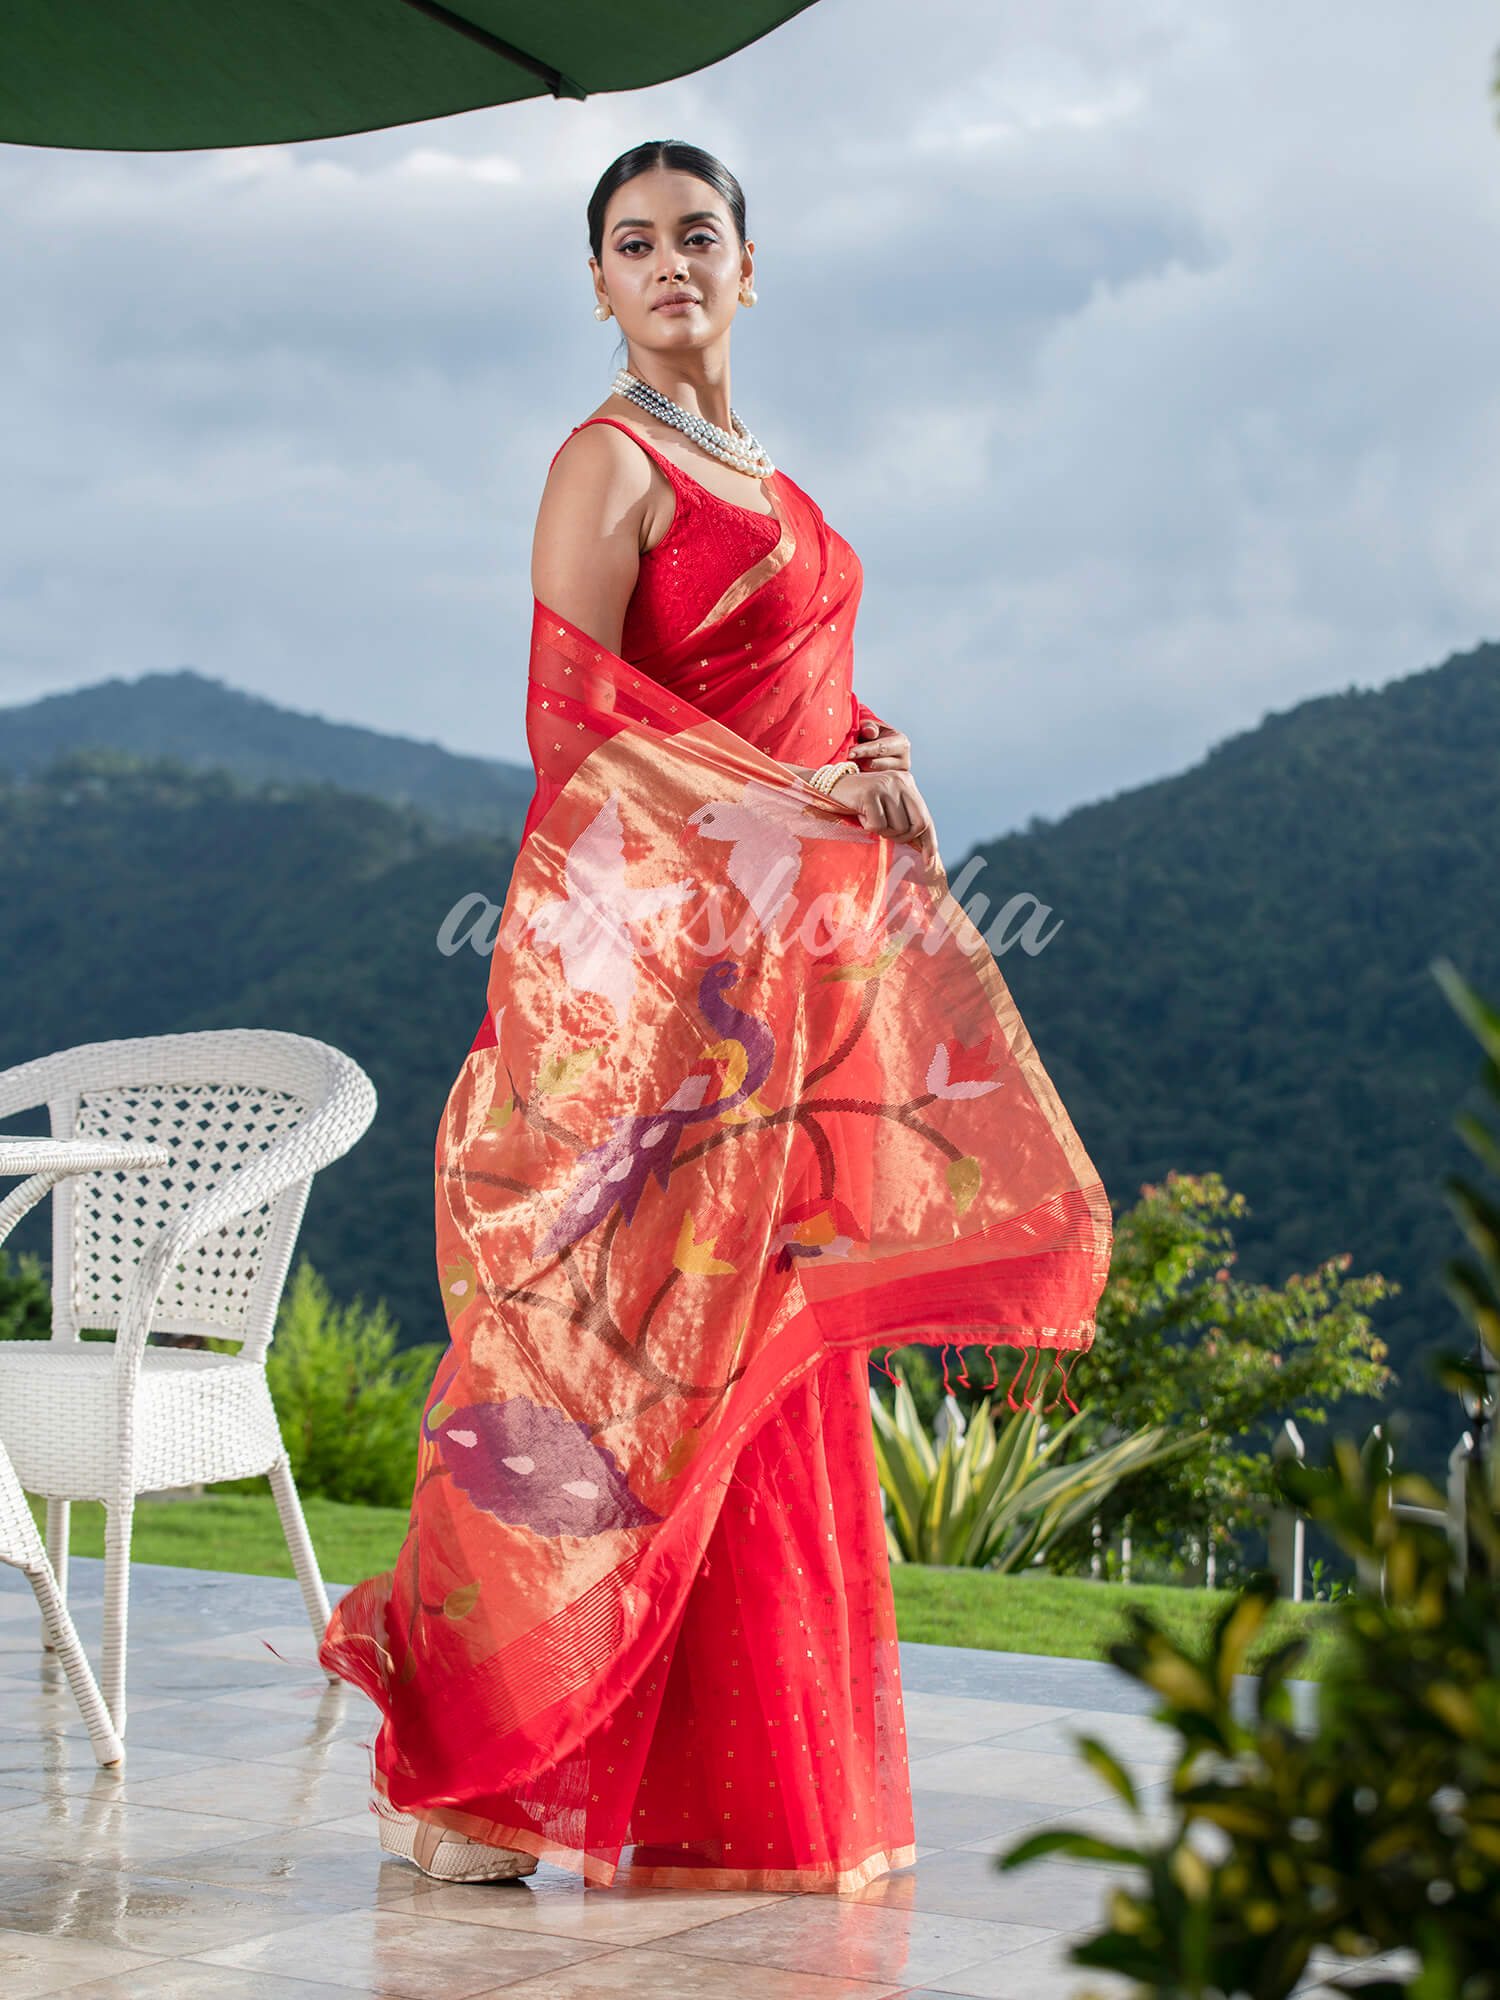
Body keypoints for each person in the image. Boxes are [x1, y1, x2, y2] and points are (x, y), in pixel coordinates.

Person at [321, 139, 1111, 1894]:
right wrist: (802, 798)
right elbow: (578, 729)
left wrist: (874, 762)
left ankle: (724, 1783)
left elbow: (795, 695)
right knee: (607, 1349)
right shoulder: (602, 466)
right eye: (631, 243)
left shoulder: (776, 479)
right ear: (595, 285)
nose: (669, 262)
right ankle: (473, 1771)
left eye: (698, 235)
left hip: (780, 977)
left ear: (754, 265)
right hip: (650, 980)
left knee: (759, 1345)